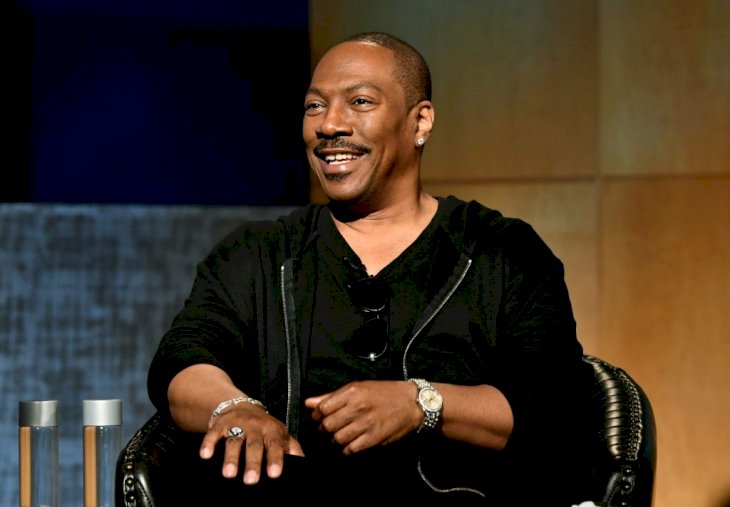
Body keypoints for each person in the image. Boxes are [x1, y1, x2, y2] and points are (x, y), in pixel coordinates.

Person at [147, 31, 596, 505]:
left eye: (359, 102)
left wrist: (421, 403)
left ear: (419, 121)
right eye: (314, 107)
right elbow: (183, 360)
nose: (330, 125)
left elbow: (552, 407)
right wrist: (234, 407)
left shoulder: (501, 252)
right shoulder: (259, 253)